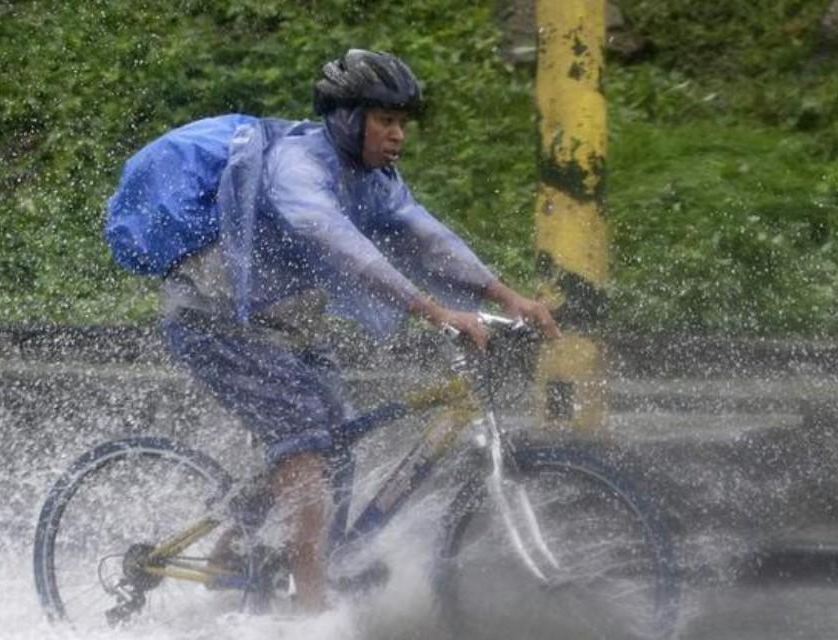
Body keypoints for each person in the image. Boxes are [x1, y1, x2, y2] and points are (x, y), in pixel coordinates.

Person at [161, 49, 559, 611]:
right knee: (304, 442)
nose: (397, 134)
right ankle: (312, 608)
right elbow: (344, 248)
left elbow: (428, 237)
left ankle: (234, 547)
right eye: (385, 120)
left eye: (402, 122)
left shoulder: (374, 178)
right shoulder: (297, 166)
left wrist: (508, 297)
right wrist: (433, 310)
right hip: (212, 321)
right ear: (348, 118)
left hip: (282, 327)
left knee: (335, 439)